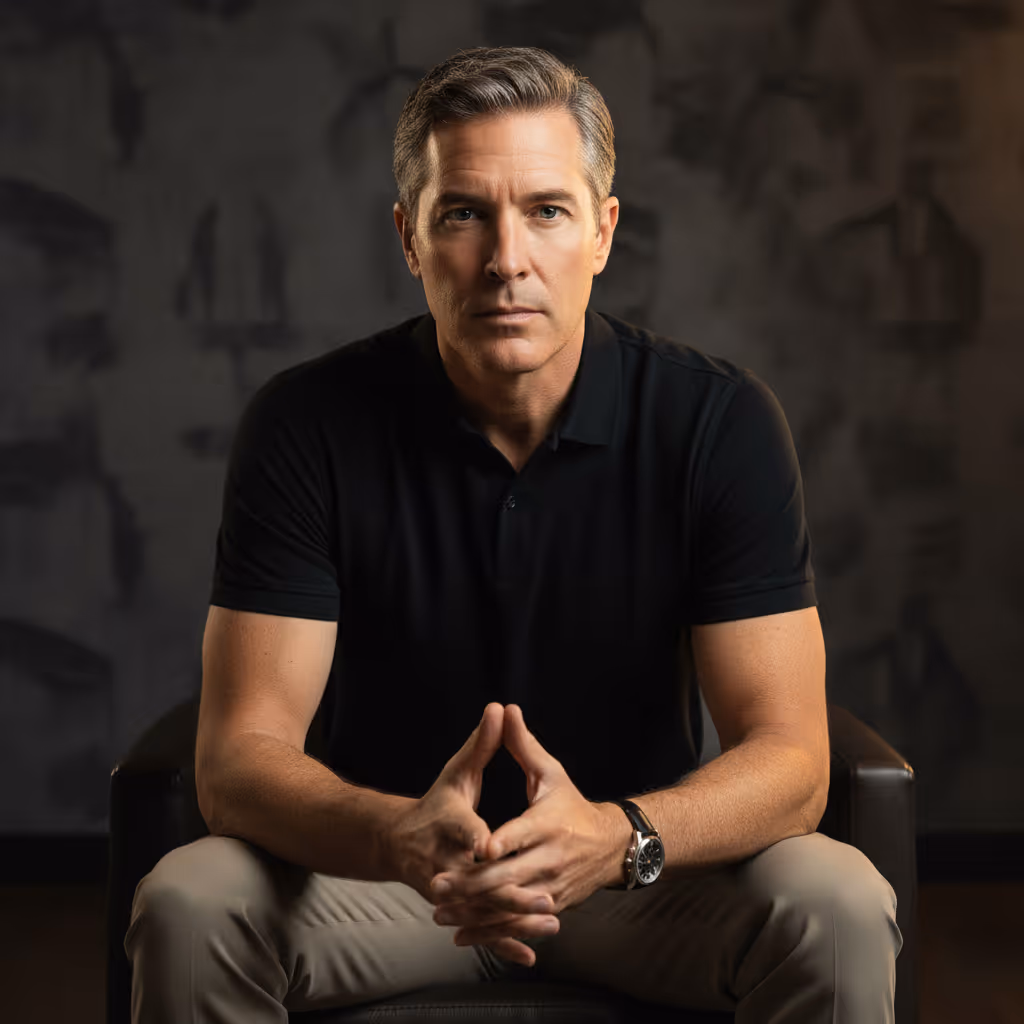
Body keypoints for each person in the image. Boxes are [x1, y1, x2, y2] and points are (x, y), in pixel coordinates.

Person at [124, 46, 902, 1023]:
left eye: (546, 209)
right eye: (462, 214)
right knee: (190, 903)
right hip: (390, 881)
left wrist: (619, 836)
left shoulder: (719, 421)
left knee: (837, 903)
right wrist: (397, 835)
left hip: (633, 883)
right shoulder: (307, 423)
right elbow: (239, 755)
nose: (505, 260)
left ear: (603, 231)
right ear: (408, 238)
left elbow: (790, 755)